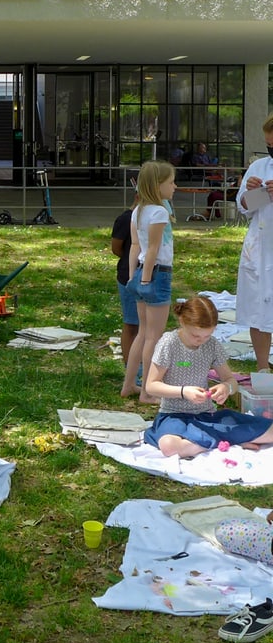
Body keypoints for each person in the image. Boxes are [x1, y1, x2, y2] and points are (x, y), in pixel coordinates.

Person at [144, 296, 273, 457]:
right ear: (182, 322)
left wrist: (226, 388)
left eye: (206, 336)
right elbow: (151, 385)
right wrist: (183, 392)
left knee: (270, 431)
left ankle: (209, 441)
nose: (201, 341)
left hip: (207, 415)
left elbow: (230, 380)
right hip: (174, 415)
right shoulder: (169, 343)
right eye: (196, 336)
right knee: (169, 446)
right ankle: (225, 440)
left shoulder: (211, 345)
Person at [120, 160, 176, 404]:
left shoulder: (138, 210)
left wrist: (134, 277)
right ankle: (147, 391)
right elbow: (152, 248)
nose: (175, 187)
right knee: (154, 336)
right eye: (171, 182)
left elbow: (135, 247)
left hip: (142, 273)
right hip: (157, 274)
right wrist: (145, 280)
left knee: (143, 333)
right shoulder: (159, 211)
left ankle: (129, 384)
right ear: (157, 185)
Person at [235, 112, 273, 371]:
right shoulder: (260, 167)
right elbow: (245, 208)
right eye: (269, 145)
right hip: (260, 251)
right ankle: (263, 367)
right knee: (258, 312)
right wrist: (253, 193)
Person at [111, 198, 139, 364]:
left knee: (144, 326)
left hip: (146, 275)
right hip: (127, 275)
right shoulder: (126, 218)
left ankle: (139, 364)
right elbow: (116, 248)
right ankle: (130, 366)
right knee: (132, 323)